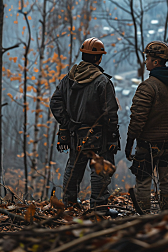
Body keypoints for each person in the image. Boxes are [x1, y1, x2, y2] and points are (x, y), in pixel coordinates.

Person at [50, 37, 119, 216]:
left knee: (74, 166)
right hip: (99, 136)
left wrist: (68, 124)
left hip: (75, 135)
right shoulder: (102, 82)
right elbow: (110, 113)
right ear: (99, 58)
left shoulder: (69, 78)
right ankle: (99, 207)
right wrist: (113, 137)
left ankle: (69, 203)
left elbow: (55, 102)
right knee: (100, 170)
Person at [125, 41, 168, 212]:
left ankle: (143, 215)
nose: (145, 62)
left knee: (143, 180)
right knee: (167, 177)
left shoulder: (148, 87)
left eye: (147, 58)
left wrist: (130, 141)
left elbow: (138, 118)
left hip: (147, 143)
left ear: (155, 62)